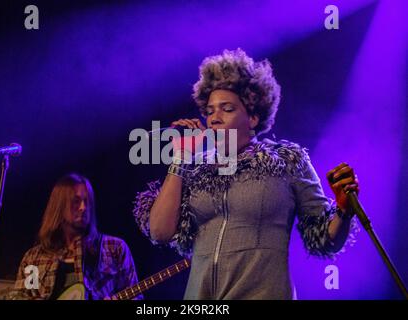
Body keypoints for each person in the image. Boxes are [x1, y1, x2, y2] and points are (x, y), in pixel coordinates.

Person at [133, 48, 359, 299]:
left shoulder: (287, 161)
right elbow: (160, 232)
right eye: (209, 111)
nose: (214, 119)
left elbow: (324, 240)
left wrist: (343, 210)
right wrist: (181, 159)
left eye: (226, 109)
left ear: (252, 117)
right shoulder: (196, 169)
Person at [11, 173, 142, 300]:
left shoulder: (114, 249)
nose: (83, 207)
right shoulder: (34, 259)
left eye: (87, 201)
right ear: (59, 206)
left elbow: (136, 298)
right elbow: (24, 295)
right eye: (76, 201)